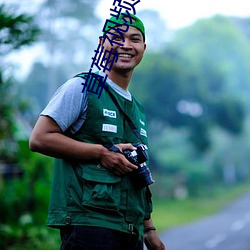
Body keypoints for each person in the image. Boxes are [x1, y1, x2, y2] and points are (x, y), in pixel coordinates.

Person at [29, 12, 165, 250]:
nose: (126, 45)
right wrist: (102, 153)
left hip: (130, 229)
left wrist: (149, 228)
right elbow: (39, 138)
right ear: (102, 44)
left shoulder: (138, 108)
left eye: (134, 39)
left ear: (143, 47)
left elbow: (137, 170)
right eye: (117, 38)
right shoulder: (82, 87)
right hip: (89, 225)